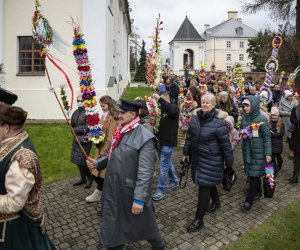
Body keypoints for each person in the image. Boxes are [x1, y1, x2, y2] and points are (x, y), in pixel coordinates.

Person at [87, 99, 166, 250]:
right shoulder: (122, 129)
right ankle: (114, 245)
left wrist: (139, 198)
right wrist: (98, 163)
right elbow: (114, 154)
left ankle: (158, 244)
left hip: (130, 192)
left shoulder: (145, 137)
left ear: (132, 114)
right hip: (114, 188)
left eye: (122, 112)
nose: (118, 115)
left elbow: (146, 171)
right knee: (113, 223)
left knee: (144, 223)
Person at [0, 98, 55, 249]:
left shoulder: (22, 159)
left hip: (16, 227)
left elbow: (14, 203)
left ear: (6, 128)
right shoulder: (11, 142)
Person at [182, 93, 233, 232]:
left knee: (203, 188)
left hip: (212, 160)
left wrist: (229, 164)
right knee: (207, 182)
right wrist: (186, 153)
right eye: (203, 102)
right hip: (198, 159)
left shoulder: (219, 122)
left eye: (208, 103)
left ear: (213, 105)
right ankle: (216, 202)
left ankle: (199, 219)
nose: (204, 105)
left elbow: (226, 145)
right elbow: (190, 137)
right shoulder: (195, 119)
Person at [240, 96, 272, 212]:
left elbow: (267, 138)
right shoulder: (244, 118)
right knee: (254, 174)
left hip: (259, 152)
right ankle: (258, 191)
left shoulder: (261, 119)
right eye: (244, 105)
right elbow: (241, 130)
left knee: (253, 176)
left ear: (253, 106)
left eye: (247, 105)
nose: (245, 108)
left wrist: (268, 153)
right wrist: (243, 133)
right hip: (247, 151)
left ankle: (249, 201)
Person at [85, 95, 119, 203]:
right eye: (100, 106)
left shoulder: (113, 118)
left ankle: (102, 194)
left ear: (109, 105)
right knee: (96, 173)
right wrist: (94, 136)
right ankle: (100, 192)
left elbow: (110, 138)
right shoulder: (104, 116)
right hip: (100, 148)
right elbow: (100, 130)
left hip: (107, 151)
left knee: (102, 175)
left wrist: (103, 152)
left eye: (103, 106)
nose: (101, 108)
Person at [152, 92, 180, 201]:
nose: (160, 103)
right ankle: (174, 181)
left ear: (167, 99)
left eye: (162, 101)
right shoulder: (162, 110)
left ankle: (161, 190)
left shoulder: (174, 108)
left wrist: (160, 99)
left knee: (163, 166)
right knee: (167, 163)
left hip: (168, 143)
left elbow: (172, 110)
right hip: (160, 141)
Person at [71, 94, 93, 188]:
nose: (79, 102)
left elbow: (89, 127)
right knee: (77, 161)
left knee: (82, 161)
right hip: (76, 139)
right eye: (78, 101)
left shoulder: (89, 113)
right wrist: (70, 123)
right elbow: (73, 124)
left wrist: (75, 130)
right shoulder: (76, 112)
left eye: (81, 100)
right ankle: (83, 179)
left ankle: (90, 178)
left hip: (85, 140)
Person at [269, 107, 285, 175]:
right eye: (272, 115)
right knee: (272, 158)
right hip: (271, 144)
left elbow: (281, 134)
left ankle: (280, 165)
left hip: (278, 144)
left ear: (278, 116)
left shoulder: (281, 124)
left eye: (275, 115)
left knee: (278, 156)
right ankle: (275, 171)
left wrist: (271, 134)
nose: (274, 117)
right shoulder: (269, 123)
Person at [289, 103, 300, 183]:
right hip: (296, 135)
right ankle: (295, 175)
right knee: (296, 156)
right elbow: (292, 119)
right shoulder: (295, 108)